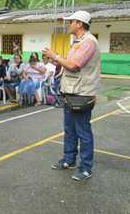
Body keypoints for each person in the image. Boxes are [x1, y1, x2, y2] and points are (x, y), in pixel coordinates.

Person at [43, 10, 101, 181]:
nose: (69, 24)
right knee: (69, 130)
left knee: (83, 131)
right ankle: (69, 160)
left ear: (80, 24)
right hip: (70, 92)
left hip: (82, 93)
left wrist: (55, 55)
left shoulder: (88, 42)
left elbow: (75, 65)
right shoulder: (77, 41)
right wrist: (56, 60)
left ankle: (86, 167)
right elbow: (68, 65)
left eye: (71, 22)